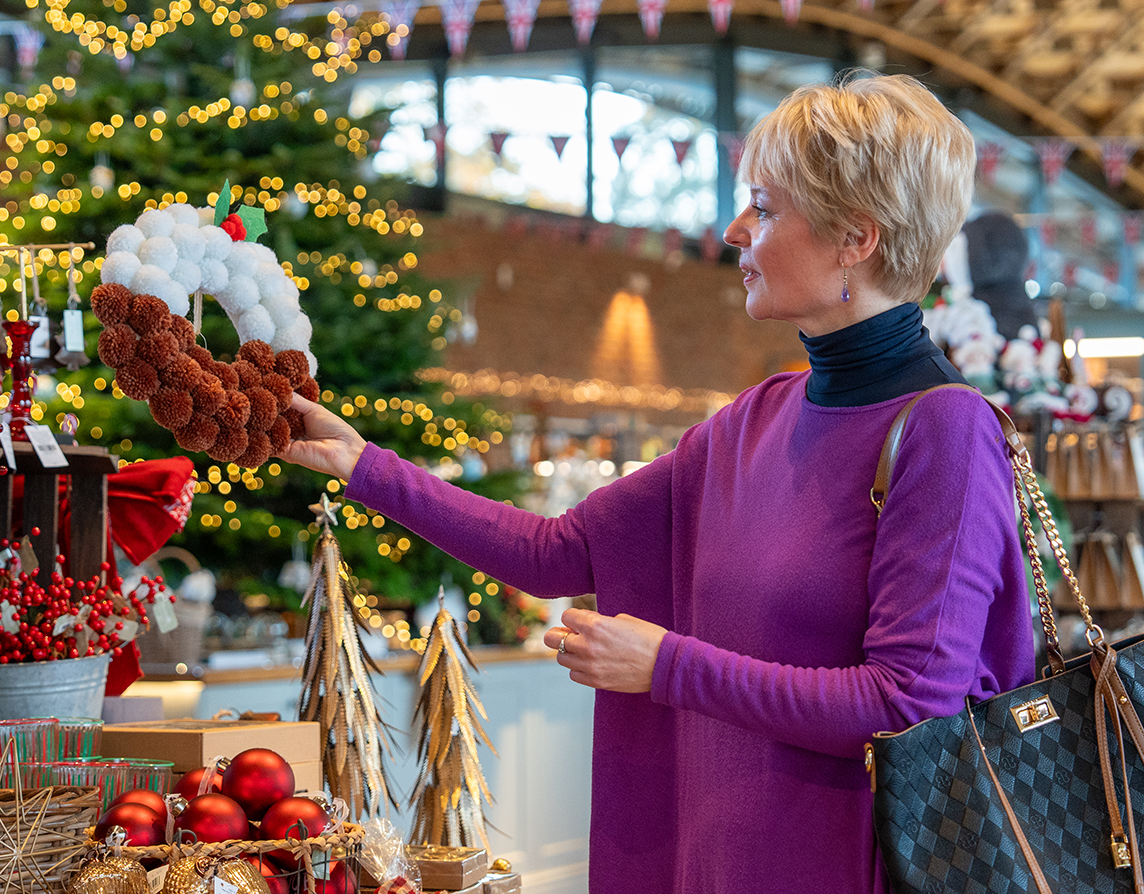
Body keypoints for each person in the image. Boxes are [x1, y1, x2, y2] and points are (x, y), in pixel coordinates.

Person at [279, 74, 1033, 893]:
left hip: (857, 868)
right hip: (719, 863)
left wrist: (668, 664)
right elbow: (554, 551)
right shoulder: (752, 423)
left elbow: (907, 705)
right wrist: (361, 464)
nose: (735, 229)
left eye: (767, 209)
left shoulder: (946, 430)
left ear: (857, 237)